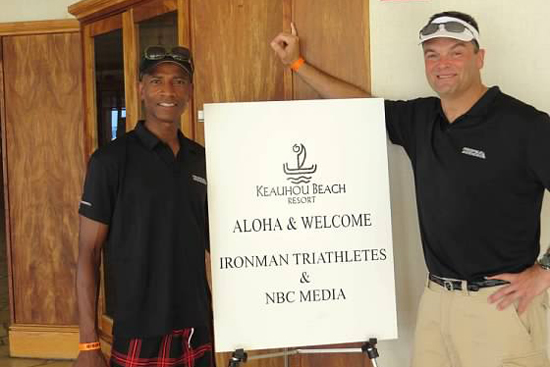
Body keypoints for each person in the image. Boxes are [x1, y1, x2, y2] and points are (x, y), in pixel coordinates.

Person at [271, 11, 550, 367]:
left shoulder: (526, 125)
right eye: (431, 54)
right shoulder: (421, 119)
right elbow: (361, 108)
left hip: (499, 307)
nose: (442, 63)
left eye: (456, 51)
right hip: (436, 303)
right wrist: (296, 63)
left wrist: (544, 273)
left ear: (480, 58)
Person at [73, 45, 212, 367]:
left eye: (179, 81)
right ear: (140, 89)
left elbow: (215, 245)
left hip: (196, 323)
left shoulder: (202, 158)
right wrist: (88, 344)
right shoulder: (110, 160)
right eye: (156, 81)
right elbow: (87, 254)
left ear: (189, 91)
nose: (168, 90)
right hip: (139, 327)